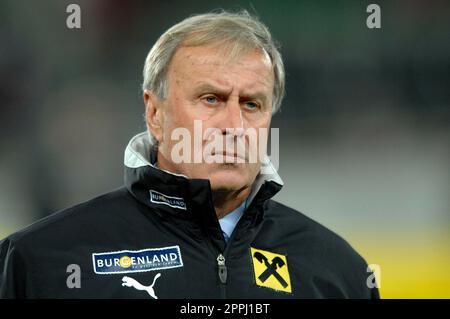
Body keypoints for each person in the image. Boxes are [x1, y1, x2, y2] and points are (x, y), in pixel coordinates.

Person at [0, 10, 379, 299]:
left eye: (251, 104)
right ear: (155, 114)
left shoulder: (338, 272)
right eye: (210, 99)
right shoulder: (38, 262)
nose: (234, 124)